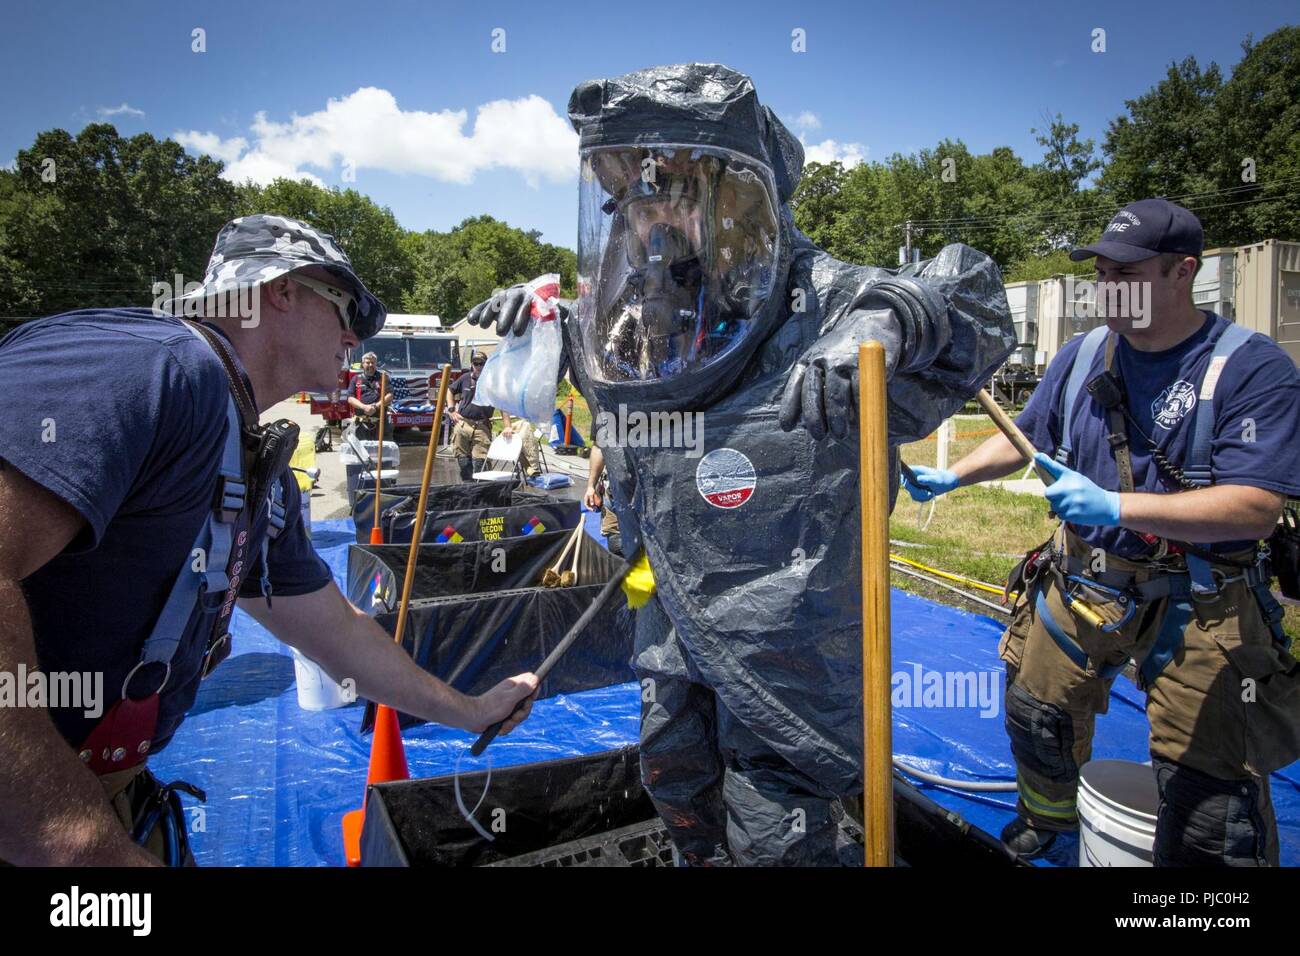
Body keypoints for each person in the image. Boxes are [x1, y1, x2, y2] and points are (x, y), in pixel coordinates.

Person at [466, 64, 1014, 865]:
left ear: (737, 197)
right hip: (672, 613)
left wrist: (887, 323)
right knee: (674, 778)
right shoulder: (647, 316)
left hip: (783, 636)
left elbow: (972, 299)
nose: (653, 220)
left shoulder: (821, 297)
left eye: (674, 195)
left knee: (774, 825)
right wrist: (543, 322)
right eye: (636, 201)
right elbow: (620, 399)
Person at [0, 214, 538, 866]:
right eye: (345, 308)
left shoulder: (249, 459)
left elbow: (334, 632)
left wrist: (470, 710)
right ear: (280, 289)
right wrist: (72, 838)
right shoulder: (148, 370)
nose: (352, 335)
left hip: (92, 796)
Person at [904, 198, 1300, 865]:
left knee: (1208, 795)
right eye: (1102, 272)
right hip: (1082, 579)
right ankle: (1050, 824)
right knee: (1036, 716)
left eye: (1126, 273)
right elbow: (1028, 437)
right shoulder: (1084, 353)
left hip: (1203, 598)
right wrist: (956, 477)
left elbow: (1255, 505)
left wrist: (1116, 506)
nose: (1107, 288)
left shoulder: (1252, 368)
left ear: (1183, 272)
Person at [448, 350, 514, 481]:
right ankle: (467, 488)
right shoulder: (465, 378)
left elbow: (502, 404)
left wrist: (507, 426)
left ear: (486, 364)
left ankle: (480, 489)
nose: (478, 366)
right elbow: (449, 390)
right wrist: (451, 409)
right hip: (463, 423)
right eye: (475, 363)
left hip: (481, 426)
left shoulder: (493, 382)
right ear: (472, 364)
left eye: (481, 364)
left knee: (480, 462)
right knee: (463, 460)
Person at [584, 445, 622, 556]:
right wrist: (591, 486)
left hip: (650, 493)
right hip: (616, 491)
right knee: (617, 544)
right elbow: (599, 446)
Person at [347, 351, 390, 440]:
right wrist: (364, 407)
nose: (370, 365)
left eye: (373, 363)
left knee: (382, 451)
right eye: (367, 362)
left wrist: (375, 406)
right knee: (361, 451)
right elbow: (350, 398)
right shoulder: (356, 379)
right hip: (361, 424)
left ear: (376, 364)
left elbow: (389, 396)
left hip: (380, 424)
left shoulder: (383, 377)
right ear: (363, 364)